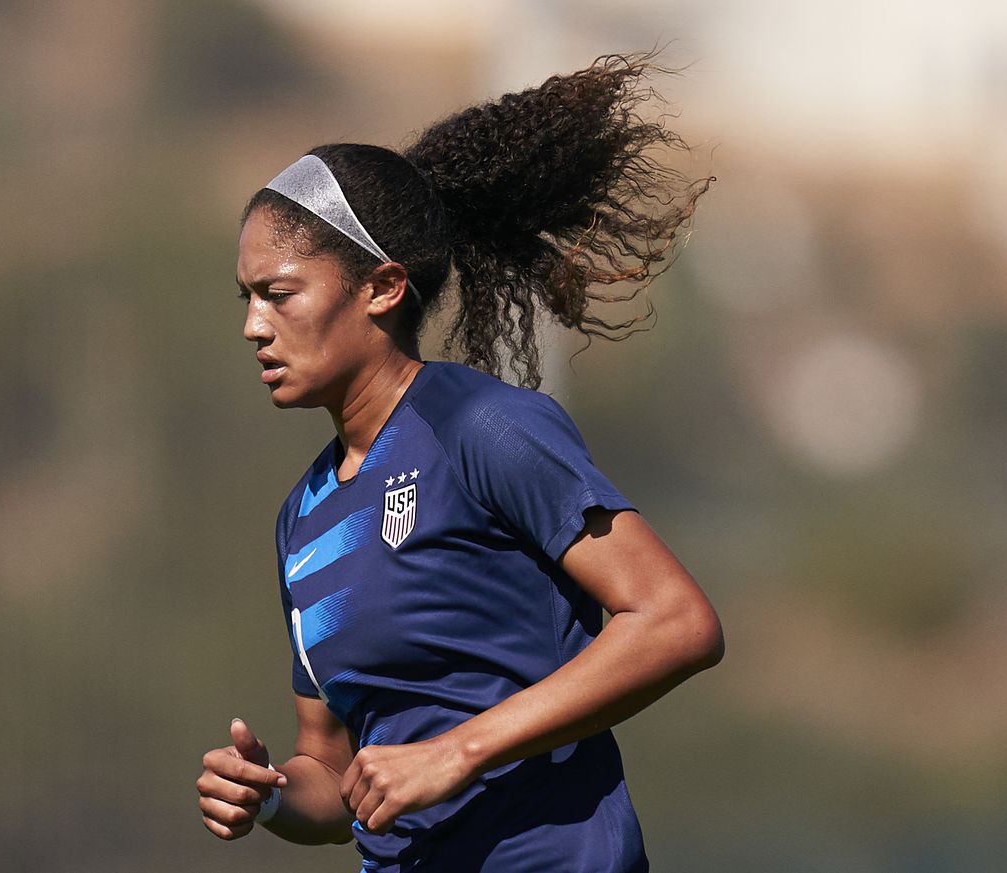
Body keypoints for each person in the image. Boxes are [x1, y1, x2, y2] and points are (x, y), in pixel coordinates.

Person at [196, 54, 723, 873]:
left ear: (381, 287)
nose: (254, 326)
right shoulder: (300, 521)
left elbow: (676, 622)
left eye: (280, 293)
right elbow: (334, 778)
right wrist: (266, 794)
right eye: (247, 299)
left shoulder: (482, 429)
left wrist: (461, 749)